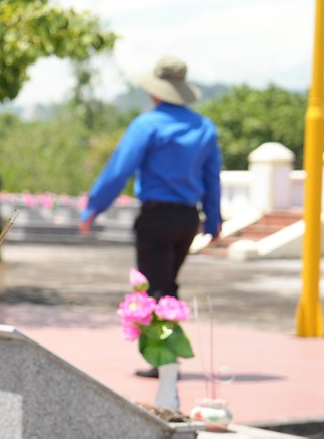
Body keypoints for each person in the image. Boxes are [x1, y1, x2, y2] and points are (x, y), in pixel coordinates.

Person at [79, 56, 223, 298]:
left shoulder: (147, 125)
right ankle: (170, 333)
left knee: (151, 295)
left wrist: (93, 208)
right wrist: (213, 221)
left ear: (156, 91)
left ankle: (159, 336)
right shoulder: (204, 127)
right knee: (167, 290)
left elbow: (119, 170)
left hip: (157, 218)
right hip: (187, 219)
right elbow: (212, 179)